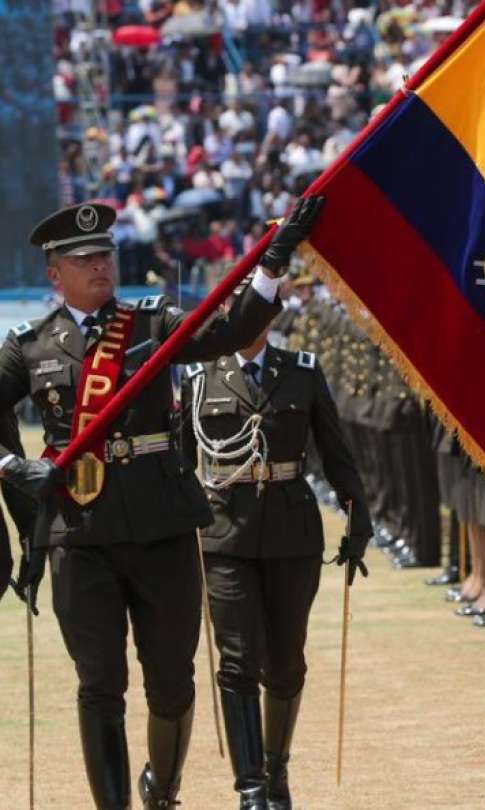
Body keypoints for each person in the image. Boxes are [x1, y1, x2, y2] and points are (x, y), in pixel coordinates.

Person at [0, 197, 322, 809]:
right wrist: (15, 467)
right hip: (81, 534)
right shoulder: (29, 345)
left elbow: (232, 330)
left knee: (172, 683)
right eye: (84, 259)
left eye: (105, 255)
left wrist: (272, 263)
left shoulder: (150, 323)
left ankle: (163, 790)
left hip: (162, 528)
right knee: (99, 684)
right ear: (54, 273)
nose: (100, 266)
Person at [180, 305, 373, 809]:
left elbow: (336, 451)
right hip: (225, 533)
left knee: (285, 663)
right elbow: (181, 466)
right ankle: (251, 786)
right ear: (227, 314)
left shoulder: (303, 371)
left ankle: (276, 765)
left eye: (263, 312)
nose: (254, 321)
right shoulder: (200, 378)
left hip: (292, 532)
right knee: (238, 659)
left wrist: (360, 516)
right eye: (243, 311)